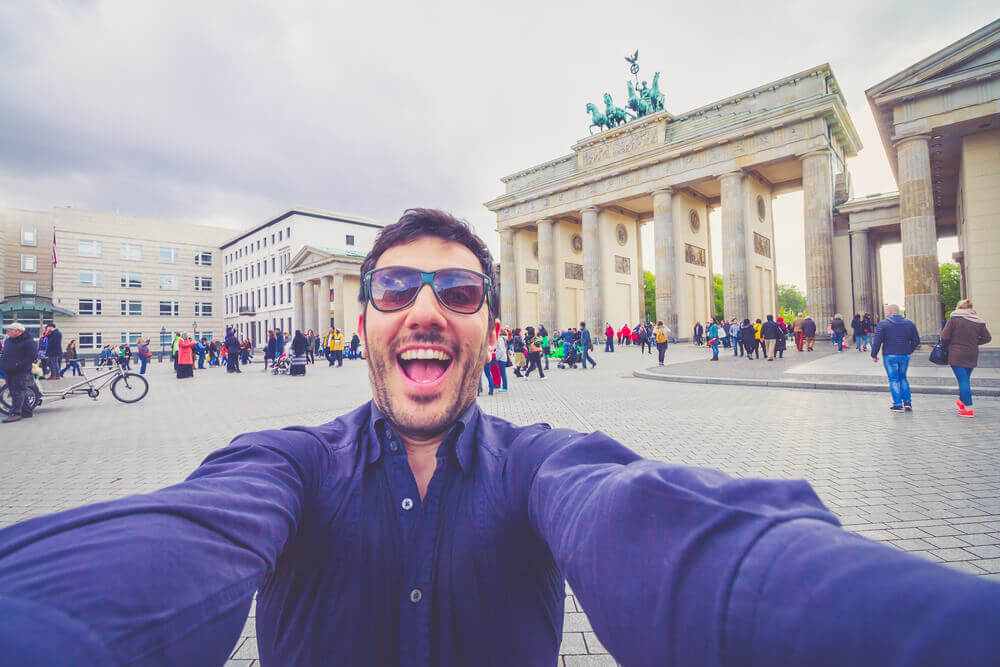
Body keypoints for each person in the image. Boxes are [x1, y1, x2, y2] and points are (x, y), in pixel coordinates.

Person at [1, 208, 999, 665]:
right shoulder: (286, 462)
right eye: (395, 287)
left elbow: (679, 540)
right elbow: (181, 537)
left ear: (491, 329)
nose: (425, 307)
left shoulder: (541, 465)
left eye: (460, 290)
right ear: (361, 323)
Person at [940, 299, 992, 418]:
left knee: (963, 381)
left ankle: (968, 409)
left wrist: (953, 343)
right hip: (972, 353)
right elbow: (987, 338)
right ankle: (962, 402)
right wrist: (974, 342)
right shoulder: (978, 321)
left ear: (959, 307)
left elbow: (944, 337)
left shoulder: (954, 319)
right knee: (965, 379)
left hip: (956, 354)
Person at [871, 304, 921, 413]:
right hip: (904, 355)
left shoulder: (883, 324)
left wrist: (874, 355)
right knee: (903, 377)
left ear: (889, 311)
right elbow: (916, 340)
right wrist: (908, 350)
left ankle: (898, 404)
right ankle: (907, 402)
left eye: (886, 311)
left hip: (889, 355)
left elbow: (877, 341)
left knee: (893, 379)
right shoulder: (909, 323)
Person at [0, 323, 37, 423]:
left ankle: (15, 413)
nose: (7, 332)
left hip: (20, 371)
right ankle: (27, 412)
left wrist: (18, 365)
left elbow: (31, 357)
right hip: (9, 370)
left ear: (18, 331)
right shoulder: (9, 341)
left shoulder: (29, 342)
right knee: (18, 391)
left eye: (10, 330)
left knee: (17, 391)